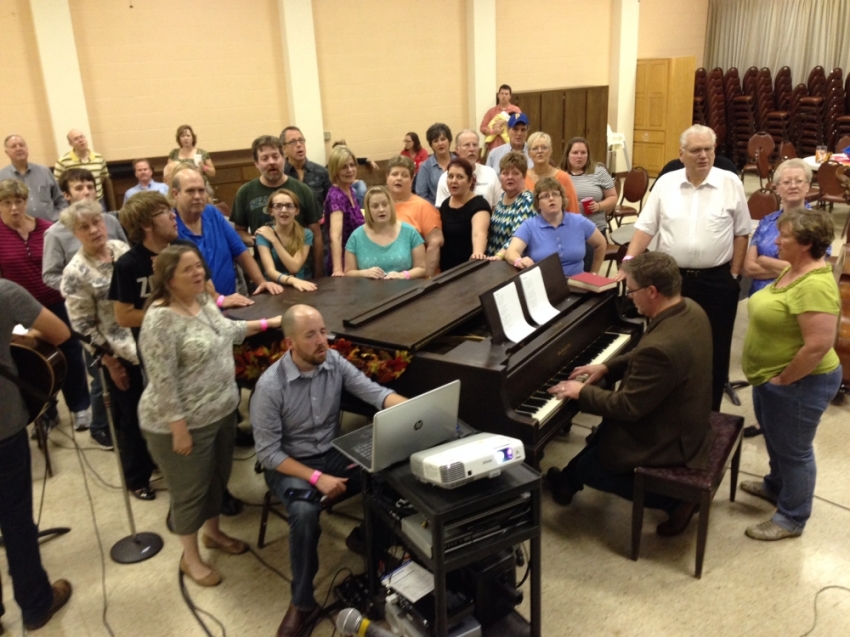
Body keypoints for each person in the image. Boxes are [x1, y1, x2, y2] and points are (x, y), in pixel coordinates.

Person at [251, 304, 407, 636]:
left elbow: (375, 394)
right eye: (311, 335)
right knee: (305, 513)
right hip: (289, 464)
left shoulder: (333, 361)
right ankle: (302, 602)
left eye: (323, 331)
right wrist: (316, 478)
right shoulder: (269, 387)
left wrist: (416, 411)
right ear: (289, 343)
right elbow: (267, 453)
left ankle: (370, 545)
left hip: (332, 454)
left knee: (389, 478)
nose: (323, 341)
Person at [138, 245, 282, 586]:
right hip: (181, 423)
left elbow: (229, 332)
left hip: (220, 411)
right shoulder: (159, 319)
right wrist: (179, 429)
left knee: (217, 480)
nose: (198, 273)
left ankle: (213, 534)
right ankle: (190, 559)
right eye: (188, 269)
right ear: (169, 278)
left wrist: (270, 322)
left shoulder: (201, 301)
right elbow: (162, 381)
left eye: (198, 266)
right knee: (190, 492)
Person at [546, 252, 714, 537]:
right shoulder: (690, 309)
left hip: (670, 437)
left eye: (632, 289)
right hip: (685, 416)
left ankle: (675, 501)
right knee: (598, 441)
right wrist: (607, 366)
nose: (630, 296)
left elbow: (627, 407)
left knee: (593, 465)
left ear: (652, 291)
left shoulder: (662, 346)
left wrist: (581, 392)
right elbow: (646, 355)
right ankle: (566, 482)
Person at [622, 124, 751, 411]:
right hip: (671, 279)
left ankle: (710, 413)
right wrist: (629, 263)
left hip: (717, 280)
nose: (703, 155)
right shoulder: (666, 183)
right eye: (696, 150)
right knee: (666, 344)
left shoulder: (731, 182)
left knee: (715, 349)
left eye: (709, 149)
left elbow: (742, 232)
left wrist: (734, 275)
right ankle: (666, 407)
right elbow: (645, 227)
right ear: (682, 154)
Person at [740, 208, 842, 541]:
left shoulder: (815, 286)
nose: (776, 240)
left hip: (801, 383)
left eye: (784, 236)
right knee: (776, 438)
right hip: (772, 377)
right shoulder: (794, 268)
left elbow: (818, 345)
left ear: (807, 243)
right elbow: (775, 267)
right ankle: (775, 486)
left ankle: (792, 517)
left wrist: (784, 379)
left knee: (795, 451)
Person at [59, 200, 155, 500]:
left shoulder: (122, 249)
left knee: (154, 407)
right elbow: (82, 327)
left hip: (149, 337)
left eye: (97, 222)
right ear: (75, 233)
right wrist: (110, 362)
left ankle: (156, 459)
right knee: (129, 416)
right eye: (84, 227)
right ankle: (137, 478)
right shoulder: (75, 272)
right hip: (117, 349)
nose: (94, 230)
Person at [0, 280, 72, 632]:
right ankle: (35, 603)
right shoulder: (4, 292)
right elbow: (58, 332)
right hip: (3, 426)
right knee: (15, 519)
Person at [0, 179, 92, 434]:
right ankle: (45, 412)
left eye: (18, 201)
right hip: (18, 310)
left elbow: (61, 264)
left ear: (26, 201)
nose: (14, 208)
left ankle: (80, 407)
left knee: (71, 354)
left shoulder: (46, 229)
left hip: (56, 302)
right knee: (32, 361)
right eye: (7, 203)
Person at [42, 168, 126, 447]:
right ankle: (100, 425)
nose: (86, 191)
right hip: (97, 326)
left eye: (90, 186)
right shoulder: (57, 235)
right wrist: (75, 288)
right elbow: (51, 275)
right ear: (66, 194)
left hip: (131, 330)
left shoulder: (113, 229)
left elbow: (127, 261)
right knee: (100, 379)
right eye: (79, 188)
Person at [742, 158, 818, 438]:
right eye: (787, 181)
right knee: (761, 358)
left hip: (793, 306)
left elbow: (811, 272)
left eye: (799, 181)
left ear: (808, 186)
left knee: (785, 361)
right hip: (761, 302)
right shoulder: (767, 221)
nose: (793, 185)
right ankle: (765, 421)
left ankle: (783, 425)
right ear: (777, 187)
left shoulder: (816, 224)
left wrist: (770, 263)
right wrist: (789, 268)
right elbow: (750, 267)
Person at [172, 166, 284, 297]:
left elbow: (240, 251)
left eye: (201, 191)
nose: (197, 196)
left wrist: (261, 282)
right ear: (176, 194)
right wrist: (219, 300)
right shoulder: (171, 226)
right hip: (198, 310)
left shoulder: (212, 213)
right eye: (190, 191)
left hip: (231, 303)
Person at [231, 135, 324, 277]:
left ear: (284, 158)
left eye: (275, 156)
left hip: (301, 271)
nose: (271, 162)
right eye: (264, 158)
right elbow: (238, 231)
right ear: (256, 163)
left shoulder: (302, 190)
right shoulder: (245, 192)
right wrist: (257, 238)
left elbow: (316, 234)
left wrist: (320, 275)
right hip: (265, 274)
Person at [505, 177, 606, 276]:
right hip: (545, 285)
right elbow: (511, 252)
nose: (551, 198)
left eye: (555, 194)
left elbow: (601, 243)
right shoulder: (529, 226)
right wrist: (519, 260)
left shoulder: (579, 221)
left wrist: (594, 273)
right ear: (538, 204)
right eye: (545, 196)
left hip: (578, 285)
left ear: (562, 199)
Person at [345, 186, 426, 279]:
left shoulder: (410, 232)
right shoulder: (356, 236)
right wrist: (365, 273)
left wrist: (402, 275)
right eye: (375, 206)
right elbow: (348, 272)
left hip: (405, 290)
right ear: (368, 210)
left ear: (390, 206)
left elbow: (421, 268)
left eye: (385, 204)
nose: (381, 209)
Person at [386, 155, 443, 277]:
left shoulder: (423, 207)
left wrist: (426, 278)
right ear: (387, 178)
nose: (399, 178)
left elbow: (435, 243)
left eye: (405, 175)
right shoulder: (380, 206)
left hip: (416, 280)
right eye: (394, 174)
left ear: (412, 180)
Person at [255, 189, 317, 291]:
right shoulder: (263, 235)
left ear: (297, 211)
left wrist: (275, 240)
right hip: (274, 288)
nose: (284, 210)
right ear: (271, 211)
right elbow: (270, 271)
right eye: (278, 206)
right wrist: (292, 280)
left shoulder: (306, 234)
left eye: (289, 206)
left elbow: (294, 267)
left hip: (300, 286)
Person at [438, 158, 491, 270]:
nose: (454, 181)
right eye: (450, 176)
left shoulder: (479, 205)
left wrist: (478, 253)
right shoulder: (445, 204)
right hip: (445, 271)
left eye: (460, 177)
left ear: (470, 181)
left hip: (468, 270)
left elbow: (479, 234)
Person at [0, 134, 66, 221]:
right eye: (13, 146)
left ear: (27, 149)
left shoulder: (44, 171)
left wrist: (60, 218)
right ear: (7, 152)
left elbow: (60, 199)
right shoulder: (2, 177)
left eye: (21, 145)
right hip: (18, 231)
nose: (19, 148)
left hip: (50, 227)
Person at [562, 136, 617, 234]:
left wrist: (599, 206)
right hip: (568, 228)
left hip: (595, 227)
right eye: (575, 152)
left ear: (588, 155)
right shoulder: (560, 175)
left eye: (583, 152)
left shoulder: (599, 172)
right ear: (567, 155)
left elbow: (613, 197)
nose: (579, 156)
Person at [486, 151, 536, 258]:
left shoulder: (528, 200)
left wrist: (499, 255)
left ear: (524, 176)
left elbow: (518, 236)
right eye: (505, 173)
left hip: (512, 263)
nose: (509, 177)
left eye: (515, 173)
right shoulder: (502, 197)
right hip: (494, 262)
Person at [435, 130, 502, 209]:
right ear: (457, 150)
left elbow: (497, 206)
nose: (472, 149)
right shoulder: (447, 178)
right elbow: (441, 210)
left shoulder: (490, 173)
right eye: (467, 145)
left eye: (475, 145)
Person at [324, 145, 364, 276]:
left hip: (356, 257)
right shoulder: (336, 196)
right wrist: (338, 269)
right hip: (343, 262)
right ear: (335, 170)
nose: (350, 170)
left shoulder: (350, 190)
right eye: (344, 167)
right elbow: (336, 236)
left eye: (352, 165)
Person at [525, 132, 579, 213]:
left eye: (544, 147)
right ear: (529, 153)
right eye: (535, 148)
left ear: (550, 151)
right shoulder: (523, 177)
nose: (540, 151)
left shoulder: (563, 177)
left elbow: (573, 210)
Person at [54, 129, 109, 205]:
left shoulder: (99, 158)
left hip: (97, 201)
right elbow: (58, 184)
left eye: (82, 137)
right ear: (70, 143)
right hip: (76, 204)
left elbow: (102, 177)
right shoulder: (63, 161)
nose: (80, 140)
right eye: (76, 139)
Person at [281, 126, 332, 206]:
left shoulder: (322, 172)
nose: (298, 145)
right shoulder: (281, 174)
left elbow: (332, 204)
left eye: (301, 140)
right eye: (293, 142)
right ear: (284, 149)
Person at [415, 123, 454, 205]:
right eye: (435, 141)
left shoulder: (459, 162)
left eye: (443, 139)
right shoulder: (425, 167)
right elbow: (421, 195)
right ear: (431, 145)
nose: (440, 143)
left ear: (449, 141)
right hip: (435, 211)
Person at [480, 84, 522, 153]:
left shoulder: (516, 110)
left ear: (510, 96)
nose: (504, 96)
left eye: (506, 94)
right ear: (498, 95)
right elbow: (482, 128)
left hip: (511, 148)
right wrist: (494, 131)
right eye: (502, 93)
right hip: (493, 149)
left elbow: (520, 124)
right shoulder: (491, 111)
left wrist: (505, 122)